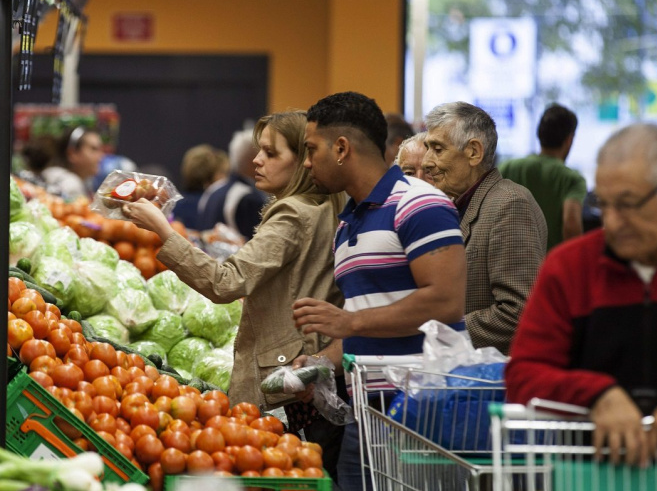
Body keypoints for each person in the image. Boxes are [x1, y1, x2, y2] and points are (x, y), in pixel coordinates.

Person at [122, 110, 348, 482]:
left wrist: (162, 229)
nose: (256, 160)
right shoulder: (326, 207)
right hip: (307, 371)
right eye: (259, 151)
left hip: (283, 383)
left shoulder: (292, 214)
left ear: (304, 161)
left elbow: (225, 283)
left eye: (271, 153)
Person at [292, 91, 467, 490]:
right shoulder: (347, 224)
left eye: (310, 149)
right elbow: (368, 324)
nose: (306, 162)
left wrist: (348, 320)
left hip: (426, 415)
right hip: (368, 414)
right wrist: (319, 364)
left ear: (341, 149)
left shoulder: (419, 203)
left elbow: (445, 300)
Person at [506, 123, 657, 466]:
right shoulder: (569, 268)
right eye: (604, 204)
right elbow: (523, 374)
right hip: (592, 473)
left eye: (629, 204)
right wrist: (596, 394)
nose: (612, 223)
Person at [422, 101, 547, 355]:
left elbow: (519, 313)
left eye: (437, 149)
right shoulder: (460, 205)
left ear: (474, 152)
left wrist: (441, 336)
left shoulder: (510, 204)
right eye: (428, 148)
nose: (426, 162)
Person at [499, 104, 587, 249]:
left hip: (509, 263)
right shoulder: (572, 179)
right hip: (550, 267)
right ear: (569, 140)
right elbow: (571, 223)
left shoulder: (507, 167)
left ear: (539, 134)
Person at [197, 128, 268, 240]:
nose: (265, 160)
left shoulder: (212, 190)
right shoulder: (250, 198)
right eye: (268, 154)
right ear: (253, 161)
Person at [171, 144, 229, 231]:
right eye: (223, 173)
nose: (226, 178)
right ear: (211, 177)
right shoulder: (217, 207)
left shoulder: (174, 205)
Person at [38, 126, 105, 200]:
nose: (101, 156)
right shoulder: (70, 184)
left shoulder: (86, 182)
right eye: (93, 149)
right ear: (72, 154)